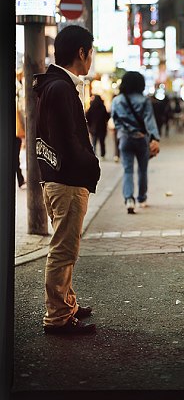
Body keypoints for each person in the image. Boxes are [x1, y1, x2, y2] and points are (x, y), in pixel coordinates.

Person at [33, 24, 101, 335]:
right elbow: (68, 141)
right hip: (67, 181)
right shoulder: (60, 88)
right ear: (81, 53)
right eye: (91, 52)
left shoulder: (55, 84)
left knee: (67, 246)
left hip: (59, 179)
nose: (92, 59)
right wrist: (91, 166)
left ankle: (67, 303)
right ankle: (57, 316)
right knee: (63, 249)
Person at [111, 71, 160, 214]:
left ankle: (128, 199)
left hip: (125, 139)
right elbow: (150, 122)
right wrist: (155, 138)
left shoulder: (117, 100)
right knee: (143, 170)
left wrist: (125, 130)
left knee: (127, 170)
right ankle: (142, 198)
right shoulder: (144, 101)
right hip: (141, 139)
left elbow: (115, 121)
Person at [86, 94, 110, 159]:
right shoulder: (102, 107)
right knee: (102, 142)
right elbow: (107, 117)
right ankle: (102, 155)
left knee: (94, 142)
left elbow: (87, 116)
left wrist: (90, 125)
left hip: (94, 128)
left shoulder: (91, 107)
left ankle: (93, 154)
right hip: (102, 127)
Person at [16, 104, 26, 189]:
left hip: (17, 137)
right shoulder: (17, 110)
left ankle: (20, 179)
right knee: (16, 161)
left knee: (16, 161)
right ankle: (20, 180)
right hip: (17, 137)